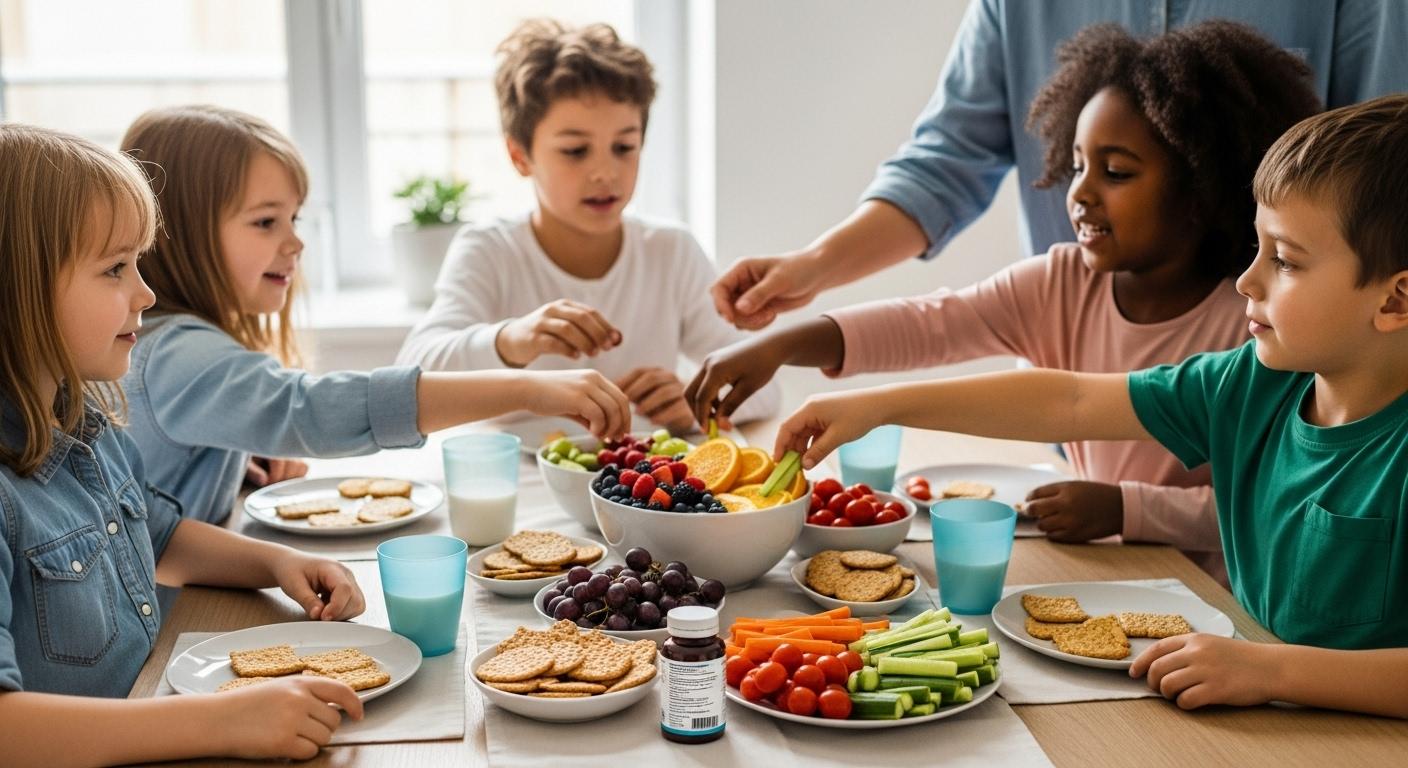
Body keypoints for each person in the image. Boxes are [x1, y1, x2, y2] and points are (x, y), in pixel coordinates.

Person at [772, 95, 1408, 718]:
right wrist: (881, 406)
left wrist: (1273, 670)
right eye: (1257, 248)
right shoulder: (1252, 383)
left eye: (1286, 261)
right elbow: (1072, 399)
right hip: (1258, 716)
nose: (1248, 280)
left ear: (1395, 301)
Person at [687, 21, 1321, 583]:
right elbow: (929, 324)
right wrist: (781, 344)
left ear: (1202, 186)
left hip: (1208, 594)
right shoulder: (1061, 282)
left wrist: (1124, 505)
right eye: (1077, 166)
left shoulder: (1257, 322)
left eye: (1117, 172)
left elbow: (1263, 504)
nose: (1081, 194)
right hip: (1093, 567)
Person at [0, 123, 371, 764]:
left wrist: (273, 564)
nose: (146, 293)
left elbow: (159, 535)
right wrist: (215, 722)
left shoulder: (82, 420)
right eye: (115, 268)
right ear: (18, 285)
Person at [710, 0, 1407, 332]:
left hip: (1276, 349)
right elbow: (945, 159)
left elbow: (1380, 182)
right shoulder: (1055, 300)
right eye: (1079, 164)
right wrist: (811, 268)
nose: (1085, 191)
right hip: (1082, 354)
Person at [119, 105, 631, 524]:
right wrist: (527, 389)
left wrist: (236, 456)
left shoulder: (171, 346)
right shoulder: (177, 354)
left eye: (293, 218)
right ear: (178, 232)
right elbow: (311, 410)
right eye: (265, 222)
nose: (294, 242)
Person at [395, 19, 779, 434]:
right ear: (520, 156)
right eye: (576, 151)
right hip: (519, 486)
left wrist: (697, 399)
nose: (605, 172)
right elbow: (411, 377)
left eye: (624, 147)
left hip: (640, 490)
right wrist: (511, 340)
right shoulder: (490, 250)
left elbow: (766, 386)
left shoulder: (671, 251)